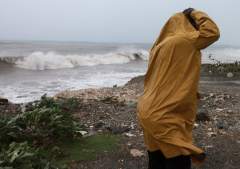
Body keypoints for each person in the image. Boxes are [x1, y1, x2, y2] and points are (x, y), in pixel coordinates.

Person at [136, 8, 220, 169]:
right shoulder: (187, 40)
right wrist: (195, 12)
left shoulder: (159, 46)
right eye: (194, 25)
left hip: (146, 109)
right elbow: (212, 32)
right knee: (178, 161)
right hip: (163, 113)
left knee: (156, 160)